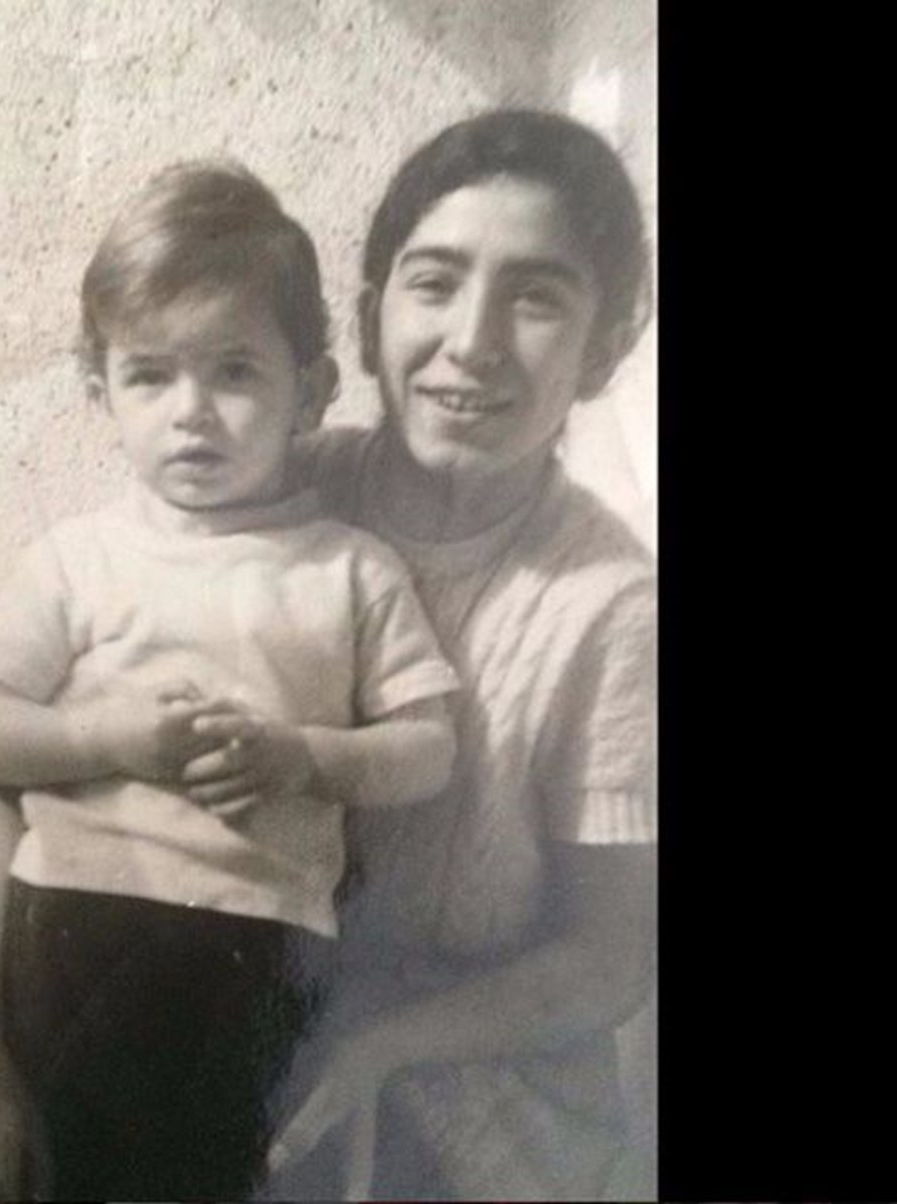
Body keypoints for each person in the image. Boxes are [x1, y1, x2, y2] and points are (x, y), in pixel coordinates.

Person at [0, 161, 459, 1202]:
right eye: (150, 375)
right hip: (72, 924)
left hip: (264, 947)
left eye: (235, 372)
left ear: (311, 391)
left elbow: (429, 748)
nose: (191, 412)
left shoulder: (352, 568)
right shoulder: (77, 560)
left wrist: (305, 757)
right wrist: (102, 738)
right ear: (99, 390)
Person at [266, 109, 658, 1201]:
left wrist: (384, 1046)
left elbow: (612, 959)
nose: (474, 340)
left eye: (537, 298)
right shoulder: (281, 493)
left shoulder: (613, 609)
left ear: (602, 351)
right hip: (248, 1032)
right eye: (435, 282)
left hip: (480, 1105)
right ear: (369, 317)